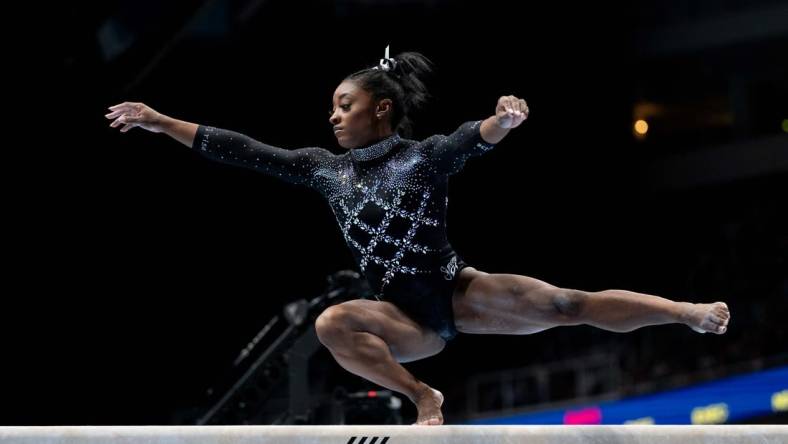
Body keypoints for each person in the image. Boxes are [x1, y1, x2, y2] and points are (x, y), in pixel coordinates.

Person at [106, 48, 730, 426]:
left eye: (343, 104)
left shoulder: (424, 157)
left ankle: (685, 312)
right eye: (332, 105)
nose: (332, 114)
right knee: (330, 324)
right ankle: (422, 397)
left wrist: (503, 121)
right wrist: (160, 121)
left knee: (567, 305)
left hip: (458, 293)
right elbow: (245, 150)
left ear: (380, 108)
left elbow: (469, 140)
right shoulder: (324, 169)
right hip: (403, 320)